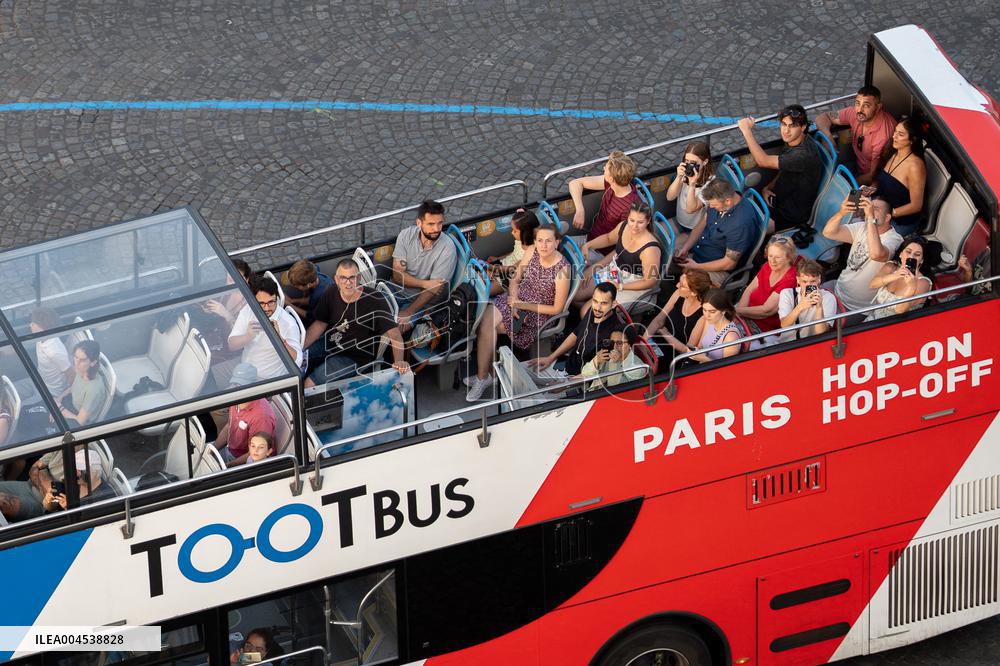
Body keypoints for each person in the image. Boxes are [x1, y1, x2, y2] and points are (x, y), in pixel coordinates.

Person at [465, 225, 571, 401]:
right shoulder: (531, 251)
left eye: (548, 241)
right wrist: (514, 298)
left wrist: (523, 305)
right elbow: (516, 278)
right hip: (518, 298)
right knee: (484, 321)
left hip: (539, 311)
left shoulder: (563, 270)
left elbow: (556, 309)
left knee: (488, 327)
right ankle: (486, 376)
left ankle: (484, 377)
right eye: (540, 240)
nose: (543, 245)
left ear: (557, 243)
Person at [302, 258, 408, 387]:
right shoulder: (331, 291)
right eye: (343, 278)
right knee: (297, 362)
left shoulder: (375, 300)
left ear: (358, 278)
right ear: (336, 279)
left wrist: (399, 362)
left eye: (352, 278)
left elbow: (395, 335)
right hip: (329, 343)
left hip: (353, 357)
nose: (348, 283)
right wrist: (301, 347)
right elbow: (319, 324)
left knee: (308, 384)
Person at [738, 105, 823, 232]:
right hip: (778, 198)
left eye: (792, 126)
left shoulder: (802, 155)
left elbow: (763, 161)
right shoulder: (797, 140)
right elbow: (784, 167)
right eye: (784, 124)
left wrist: (746, 131)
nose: (786, 131)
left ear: (803, 127)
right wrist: (768, 188)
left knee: (748, 230)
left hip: (790, 214)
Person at [822, 195, 904, 311]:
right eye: (869, 207)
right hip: (838, 288)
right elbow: (828, 233)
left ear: (887, 218)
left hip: (856, 307)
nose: (868, 210)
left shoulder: (894, 238)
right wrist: (842, 212)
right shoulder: (862, 227)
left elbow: (877, 254)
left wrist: (870, 217)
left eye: (875, 209)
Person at [577, 201, 661, 311]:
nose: (634, 226)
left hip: (633, 284)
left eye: (640, 222)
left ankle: (601, 319)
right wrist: (588, 246)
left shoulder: (650, 249)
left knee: (587, 311)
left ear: (648, 221)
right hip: (615, 272)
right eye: (632, 220)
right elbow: (608, 238)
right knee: (576, 294)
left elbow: (649, 282)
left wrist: (620, 286)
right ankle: (598, 320)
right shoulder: (623, 226)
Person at [527, 282, 624, 377]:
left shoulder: (614, 334)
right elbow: (576, 333)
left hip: (578, 381)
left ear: (614, 304)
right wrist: (551, 358)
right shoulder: (592, 311)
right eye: (595, 301)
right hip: (566, 365)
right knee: (524, 371)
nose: (598, 308)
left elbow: (599, 372)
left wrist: (567, 384)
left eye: (604, 303)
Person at [674, 179, 757, 285]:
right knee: (668, 255)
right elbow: (701, 224)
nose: (711, 207)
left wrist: (696, 267)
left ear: (728, 201)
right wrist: (685, 248)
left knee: (688, 284)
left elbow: (729, 264)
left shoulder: (740, 225)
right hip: (701, 250)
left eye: (714, 205)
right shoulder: (720, 200)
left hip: (718, 269)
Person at [391, 199, 458, 331]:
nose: (437, 229)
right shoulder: (405, 235)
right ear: (419, 223)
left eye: (440, 223)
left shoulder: (448, 248)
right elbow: (398, 276)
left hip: (419, 303)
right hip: (395, 290)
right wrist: (425, 283)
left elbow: (433, 290)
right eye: (431, 224)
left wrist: (409, 311)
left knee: (395, 329)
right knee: (368, 310)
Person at [815, 85, 897, 185]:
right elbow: (824, 117)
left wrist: (846, 187)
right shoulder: (854, 113)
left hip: (872, 183)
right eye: (857, 103)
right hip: (857, 166)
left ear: (878, 107)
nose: (860, 110)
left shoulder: (883, 136)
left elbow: (872, 176)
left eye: (866, 105)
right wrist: (827, 137)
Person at [568, 150, 640, 261]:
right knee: (558, 245)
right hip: (589, 238)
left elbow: (621, 242)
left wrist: (599, 262)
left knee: (569, 265)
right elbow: (575, 183)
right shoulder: (611, 183)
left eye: (605, 168)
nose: (603, 169)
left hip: (601, 253)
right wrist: (580, 209)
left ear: (612, 178)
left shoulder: (630, 208)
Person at [228, 274, 303, 379]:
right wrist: (248, 336)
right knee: (210, 376)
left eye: (271, 302)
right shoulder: (248, 310)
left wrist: (279, 339)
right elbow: (231, 345)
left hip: (266, 379)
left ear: (276, 298)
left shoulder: (288, 324)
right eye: (261, 303)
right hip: (243, 368)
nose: (267, 308)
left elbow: (297, 361)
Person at [872, 117, 926, 236]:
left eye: (900, 134)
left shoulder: (915, 166)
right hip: (880, 208)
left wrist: (889, 213)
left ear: (912, 140)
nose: (894, 137)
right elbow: (883, 180)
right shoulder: (893, 152)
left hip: (899, 221)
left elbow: (916, 206)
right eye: (895, 132)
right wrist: (871, 189)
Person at [215, 363, 276, 468]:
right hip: (229, 450)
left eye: (242, 385)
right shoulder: (237, 399)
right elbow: (228, 426)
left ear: (253, 386)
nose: (237, 389)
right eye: (235, 384)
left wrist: (227, 466)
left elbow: (254, 454)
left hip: (244, 462)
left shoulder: (261, 417)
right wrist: (213, 450)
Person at [643, 268, 713, 356]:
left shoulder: (704, 313)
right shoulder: (678, 293)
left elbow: (689, 351)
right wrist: (644, 340)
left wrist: (666, 334)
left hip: (676, 351)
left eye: (682, 285)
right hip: (661, 339)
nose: (677, 285)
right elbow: (659, 320)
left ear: (693, 293)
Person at [735, 236, 798, 331]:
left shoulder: (790, 279)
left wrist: (738, 311)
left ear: (789, 258)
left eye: (777, 257)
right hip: (745, 314)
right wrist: (740, 314)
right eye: (770, 256)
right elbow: (749, 289)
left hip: (762, 327)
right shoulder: (767, 266)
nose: (772, 261)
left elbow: (766, 310)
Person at [663, 288, 742, 363]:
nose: (707, 315)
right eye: (704, 310)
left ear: (723, 311)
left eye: (712, 311)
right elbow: (700, 347)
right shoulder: (708, 321)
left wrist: (704, 359)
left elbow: (727, 369)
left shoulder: (731, 337)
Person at [865, 236, 934, 321]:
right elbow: (872, 284)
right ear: (901, 254)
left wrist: (911, 287)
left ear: (922, 260)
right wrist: (895, 275)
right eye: (908, 252)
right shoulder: (891, 266)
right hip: (871, 320)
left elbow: (900, 310)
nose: (911, 257)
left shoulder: (923, 283)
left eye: (917, 254)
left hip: (895, 326)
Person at [665, 141, 716, 244]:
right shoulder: (685, 173)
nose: (689, 166)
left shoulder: (711, 184)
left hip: (694, 228)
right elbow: (670, 197)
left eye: (693, 163)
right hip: (679, 221)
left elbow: (690, 209)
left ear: (705, 162)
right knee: (656, 234)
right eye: (687, 161)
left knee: (670, 247)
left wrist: (692, 184)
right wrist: (679, 177)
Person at [777, 258, 838, 343]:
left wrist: (819, 308)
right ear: (798, 280)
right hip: (787, 344)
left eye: (813, 281)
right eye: (804, 281)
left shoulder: (828, 298)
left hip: (812, 344)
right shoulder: (787, 293)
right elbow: (784, 325)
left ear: (819, 279)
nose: (808, 285)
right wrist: (800, 307)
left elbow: (821, 332)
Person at [57, 339, 107, 427]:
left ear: (93, 363)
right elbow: (73, 388)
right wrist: (59, 398)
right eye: (76, 357)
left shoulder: (93, 390)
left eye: (82, 360)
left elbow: (79, 421)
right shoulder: (82, 370)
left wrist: (59, 409)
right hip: (69, 404)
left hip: (76, 419)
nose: (76, 363)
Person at [488, 209, 539, 295]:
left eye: (515, 231)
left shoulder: (530, 252)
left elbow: (513, 268)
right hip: (502, 265)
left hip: (508, 278)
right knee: (478, 277)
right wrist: (498, 258)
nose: (512, 233)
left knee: (485, 291)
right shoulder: (520, 240)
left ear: (526, 233)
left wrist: (492, 268)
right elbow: (513, 253)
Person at [580, 326, 647, 390]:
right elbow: (585, 374)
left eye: (619, 343)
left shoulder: (639, 368)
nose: (614, 347)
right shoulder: (607, 355)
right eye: (612, 342)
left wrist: (619, 361)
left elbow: (615, 388)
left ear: (630, 344)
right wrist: (596, 361)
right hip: (593, 393)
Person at [30, 306, 74, 398]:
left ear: (42, 327)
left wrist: (62, 398)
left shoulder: (54, 351)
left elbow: (71, 375)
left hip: (50, 392)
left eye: (34, 323)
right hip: (38, 381)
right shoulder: (40, 338)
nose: (30, 325)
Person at [280, 259, 333, 327]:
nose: (295, 287)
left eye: (297, 286)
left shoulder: (320, 295)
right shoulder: (314, 271)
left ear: (309, 285)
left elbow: (310, 317)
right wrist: (292, 301)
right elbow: (311, 300)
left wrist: (289, 305)